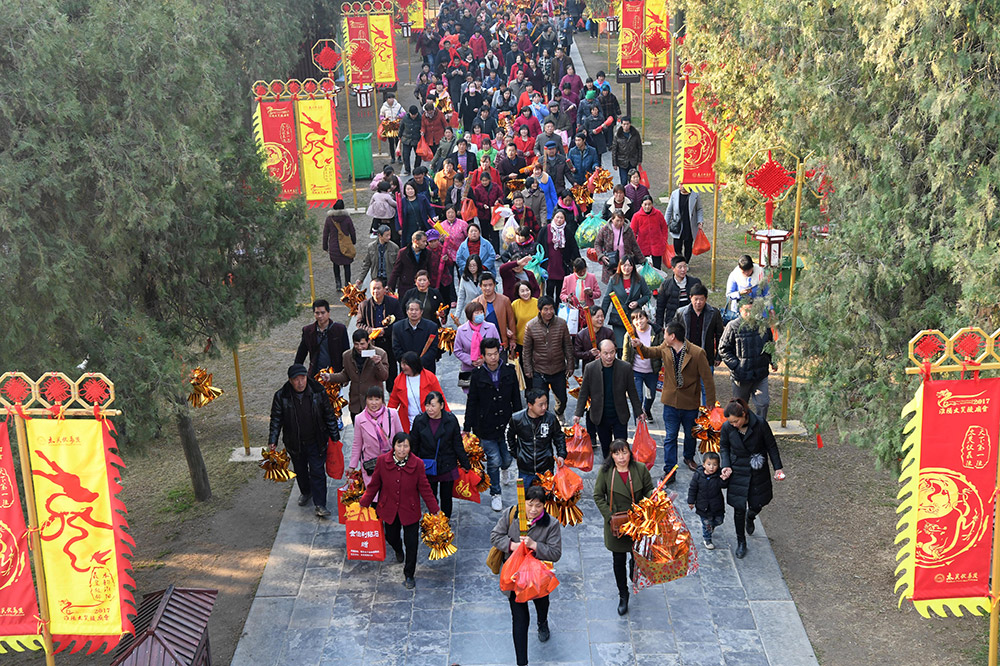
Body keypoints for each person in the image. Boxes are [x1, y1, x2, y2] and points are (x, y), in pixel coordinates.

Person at [630, 321, 717, 480]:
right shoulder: (665, 346)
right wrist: (639, 346)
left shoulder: (697, 353)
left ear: (673, 336)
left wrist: (710, 404)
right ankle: (670, 470)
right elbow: (651, 352)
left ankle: (689, 457)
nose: (663, 336)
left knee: (690, 434)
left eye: (665, 334)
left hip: (690, 402)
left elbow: (707, 379)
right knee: (670, 436)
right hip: (670, 402)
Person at [490, 484, 562, 665]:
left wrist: (534, 545)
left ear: (544, 506)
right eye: (530, 504)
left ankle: (542, 623)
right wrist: (513, 546)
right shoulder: (511, 514)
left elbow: (555, 553)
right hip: (515, 576)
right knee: (520, 620)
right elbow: (495, 536)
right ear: (523, 503)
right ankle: (522, 662)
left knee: (541, 603)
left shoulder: (551, 524)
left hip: (538, 577)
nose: (533, 509)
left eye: (538, 505)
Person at [359, 432, 441, 589]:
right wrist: (364, 502)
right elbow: (374, 484)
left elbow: (425, 488)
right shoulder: (383, 461)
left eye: (405, 446)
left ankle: (409, 574)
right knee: (391, 536)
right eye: (399, 445)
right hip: (388, 508)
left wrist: (434, 509)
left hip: (409, 510)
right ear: (393, 446)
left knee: (412, 544)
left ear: (410, 448)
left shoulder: (417, 464)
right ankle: (397, 549)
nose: (402, 449)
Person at [268, 364, 340, 517]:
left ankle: (320, 504)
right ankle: (306, 492)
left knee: (317, 471)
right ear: (290, 380)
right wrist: (272, 440)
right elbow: (276, 419)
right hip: (295, 442)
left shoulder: (318, 391)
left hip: (316, 439)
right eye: (296, 380)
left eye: (303, 378)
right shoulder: (281, 396)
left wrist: (334, 436)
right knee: (300, 470)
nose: (300, 383)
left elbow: (328, 414)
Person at [593, 438, 654, 615]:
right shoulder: (605, 472)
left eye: (624, 452)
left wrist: (654, 495)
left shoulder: (640, 469)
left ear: (630, 453)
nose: (621, 457)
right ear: (611, 455)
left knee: (636, 555)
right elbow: (598, 496)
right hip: (617, 525)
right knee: (618, 560)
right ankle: (623, 594)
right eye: (617, 453)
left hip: (637, 522)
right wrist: (609, 516)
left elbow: (648, 490)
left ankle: (634, 569)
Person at [719, 398, 785, 559]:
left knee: (759, 502)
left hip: (757, 469)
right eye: (731, 422)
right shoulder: (727, 427)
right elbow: (724, 447)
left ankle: (752, 515)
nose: (734, 424)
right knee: (738, 508)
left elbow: (771, 446)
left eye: (736, 421)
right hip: (737, 469)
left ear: (744, 414)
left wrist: (778, 468)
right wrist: (726, 465)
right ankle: (741, 542)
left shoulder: (760, 424)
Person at [465, 337, 523, 511]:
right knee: (493, 460)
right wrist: (467, 428)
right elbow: (472, 402)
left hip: (506, 425)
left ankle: (505, 470)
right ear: (483, 356)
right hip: (485, 425)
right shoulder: (477, 375)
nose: (493, 357)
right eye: (489, 354)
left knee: (506, 459)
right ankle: (495, 493)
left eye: (495, 354)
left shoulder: (509, 371)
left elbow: (516, 400)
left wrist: (520, 422)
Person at [574, 339, 643, 458]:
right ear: (599, 353)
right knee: (606, 447)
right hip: (600, 416)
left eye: (612, 352)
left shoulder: (625, 368)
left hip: (619, 415)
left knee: (622, 448)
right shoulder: (591, 368)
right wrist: (578, 413)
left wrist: (639, 412)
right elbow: (584, 392)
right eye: (606, 353)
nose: (609, 356)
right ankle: (608, 470)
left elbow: (632, 391)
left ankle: (622, 471)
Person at [411, 391, 471, 520]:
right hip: (427, 465)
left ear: (442, 405)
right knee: (430, 496)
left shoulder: (450, 420)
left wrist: (465, 462)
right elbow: (414, 444)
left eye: (433, 405)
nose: (429, 409)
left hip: (447, 464)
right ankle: (433, 521)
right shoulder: (419, 420)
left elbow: (457, 443)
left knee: (446, 496)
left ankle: (445, 521)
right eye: (427, 405)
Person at [719, 302, 777, 420]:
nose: (750, 314)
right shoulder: (733, 326)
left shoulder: (763, 326)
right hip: (741, 376)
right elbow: (723, 349)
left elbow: (770, 345)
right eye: (746, 311)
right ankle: (740, 431)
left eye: (752, 311)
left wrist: (773, 361)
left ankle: (760, 428)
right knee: (739, 407)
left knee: (763, 403)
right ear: (740, 310)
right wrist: (736, 366)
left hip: (760, 374)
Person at [522, 296, 574, 419]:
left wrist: (570, 364)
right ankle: (544, 421)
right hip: (539, 370)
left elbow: (567, 345)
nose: (549, 312)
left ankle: (559, 413)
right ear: (539, 310)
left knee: (562, 399)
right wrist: (528, 369)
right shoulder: (531, 326)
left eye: (551, 309)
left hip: (558, 368)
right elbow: (527, 350)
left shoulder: (561, 324)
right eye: (546, 309)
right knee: (540, 400)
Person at [675, 283, 725, 404]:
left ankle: (705, 418)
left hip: (706, 357)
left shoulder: (713, 313)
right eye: (695, 299)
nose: (698, 302)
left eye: (701, 299)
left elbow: (720, 336)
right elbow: (674, 335)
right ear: (690, 297)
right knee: (687, 389)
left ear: (706, 299)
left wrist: (718, 355)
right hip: (686, 358)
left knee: (706, 390)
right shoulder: (681, 313)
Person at [506, 388, 567, 486]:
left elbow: (559, 437)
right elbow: (509, 437)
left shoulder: (550, 419)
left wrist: (561, 454)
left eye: (546, 403)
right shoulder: (517, 419)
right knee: (525, 499)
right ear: (530, 405)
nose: (544, 407)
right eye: (540, 405)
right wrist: (516, 453)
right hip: (525, 469)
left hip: (546, 467)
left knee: (547, 498)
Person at [328, 329, 389, 423]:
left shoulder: (380, 353)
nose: (359, 347)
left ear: (368, 341)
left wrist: (378, 364)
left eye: (362, 344)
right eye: (356, 344)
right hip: (356, 404)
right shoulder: (347, 355)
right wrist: (330, 377)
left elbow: (384, 377)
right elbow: (346, 375)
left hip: (374, 404)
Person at [348, 385, 404, 485]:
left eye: (377, 399)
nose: (374, 403)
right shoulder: (359, 419)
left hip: (391, 462)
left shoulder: (393, 414)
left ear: (382, 400)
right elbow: (357, 444)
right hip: (371, 464)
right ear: (366, 401)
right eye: (370, 399)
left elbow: (401, 438)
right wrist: (352, 465)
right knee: (374, 495)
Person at [355, 277, 403, 390]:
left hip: (389, 343)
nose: (376, 291)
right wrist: (371, 330)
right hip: (372, 344)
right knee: (373, 374)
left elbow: (400, 321)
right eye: (373, 289)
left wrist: (385, 331)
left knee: (391, 374)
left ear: (384, 289)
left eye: (378, 288)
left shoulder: (393, 303)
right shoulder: (364, 305)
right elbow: (359, 324)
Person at [388, 352, 448, 432]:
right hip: (406, 422)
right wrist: (386, 417)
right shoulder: (399, 379)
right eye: (402, 364)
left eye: (405, 365)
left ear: (413, 365)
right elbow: (393, 401)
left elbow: (440, 397)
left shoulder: (430, 377)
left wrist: (448, 417)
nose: (402, 367)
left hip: (428, 420)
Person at [623, 308, 663, 421]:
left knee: (651, 396)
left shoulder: (656, 332)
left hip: (652, 371)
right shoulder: (629, 335)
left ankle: (646, 410)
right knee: (637, 397)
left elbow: (662, 350)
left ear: (647, 319)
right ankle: (639, 421)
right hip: (636, 371)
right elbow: (626, 355)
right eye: (635, 319)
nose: (639, 321)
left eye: (641, 317)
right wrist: (624, 372)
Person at [601, 257, 651, 348]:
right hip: (618, 317)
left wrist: (638, 302)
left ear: (633, 267)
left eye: (629, 265)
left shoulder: (639, 279)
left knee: (634, 345)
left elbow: (647, 295)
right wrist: (601, 315)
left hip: (635, 318)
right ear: (620, 266)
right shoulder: (614, 280)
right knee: (621, 346)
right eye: (624, 265)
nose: (627, 268)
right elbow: (606, 299)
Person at [294, 299, 349, 375]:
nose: (320, 316)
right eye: (317, 313)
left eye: (323, 313)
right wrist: (296, 373)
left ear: (328, 312)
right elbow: (301, 353)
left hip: (335, 374)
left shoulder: (340, 329)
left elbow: (346, 353)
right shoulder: (308, 331)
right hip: (316, 374)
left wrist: (345, 374)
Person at [454, 301, 501, 388]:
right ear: (470, 315)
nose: (480, 314)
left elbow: (499, 346)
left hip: (489, 367)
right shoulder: (461, 330)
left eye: (481, 312)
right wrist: (471, 361)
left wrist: (485, 358)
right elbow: (457, 351)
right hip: (470, 369)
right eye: (477, 313)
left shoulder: (491, 327)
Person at [687, 451, 727, 550]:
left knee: (719, 520)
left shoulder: (718, 475)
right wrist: (691, 501)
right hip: (703, 506)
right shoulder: (698, 475)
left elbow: (724, 485)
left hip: (716, 504)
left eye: (715, 465)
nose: (711, 467)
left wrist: (724, 478)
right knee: (706, 524)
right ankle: (707, 539)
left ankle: (711, 527)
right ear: (704, 464)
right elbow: (693, 488)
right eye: (709, 464)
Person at [392, 298, 441, 376]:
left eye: (416, 310)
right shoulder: (397, 327)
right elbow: (396, 349)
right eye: (411, 310)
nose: (413, 312)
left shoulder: (431, 326)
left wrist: (419, 363)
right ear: (407, 311)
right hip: (406, 369)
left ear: (421, 312)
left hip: (426, 368)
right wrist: (408, 363)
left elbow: (433, 349)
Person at [538, 209, 580, 300]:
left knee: (560, 293)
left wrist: (578, 263)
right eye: (557, 217)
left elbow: (573, 247)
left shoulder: (567, 231)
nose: (559, 220)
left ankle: (558, 311)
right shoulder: (545, 230)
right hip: (548, 266)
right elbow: (538, 246)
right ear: (553, 217)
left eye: (561, 218)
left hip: (562, 266)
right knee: (549, 291)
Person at [593, 212, 643, 284]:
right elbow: (597, 243)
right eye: (617, 220)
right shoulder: (605, 230)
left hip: (625, 266)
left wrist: (643, 260)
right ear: (612, 219)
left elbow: (634, 246)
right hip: (610, 265)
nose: (619, 223)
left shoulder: (628, 230)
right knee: (612, 290)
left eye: (621, 220)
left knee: (625, 288)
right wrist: (601, 256)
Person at [656, 256, 704, 328]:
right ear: (673, 269)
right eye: (680, 267)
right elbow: (660, 307)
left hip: (692, 320)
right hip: (673, 321)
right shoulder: (666, 285)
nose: (683, 270)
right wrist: (659, 327)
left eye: (685, 267)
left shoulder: (695, 282)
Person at [474, 272, 518, 351]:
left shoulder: (505, 300)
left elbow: (511, 320)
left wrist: (513, 339)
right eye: (485, 285)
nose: (488, 288)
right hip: (483, 342)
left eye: (490, 285)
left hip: (502, 341)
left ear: (494, 285)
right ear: (480, 286)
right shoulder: (475, 302)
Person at [665, 184, 704, 263]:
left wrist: (700, 221)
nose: (682, 186)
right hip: (678, 225)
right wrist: (665, 222)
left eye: (685, 184)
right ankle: (679, 260)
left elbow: (699, 209)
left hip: (689, 225)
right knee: (677, 245)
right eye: (681, 184)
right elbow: (669, 209)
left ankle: (686, 262)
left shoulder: (695, 194)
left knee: (688, 245)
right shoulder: (674, 194)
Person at [321, 203, 356, 290]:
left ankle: (338, 283)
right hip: (346, 246)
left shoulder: (329, 219)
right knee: (347, 265)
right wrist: (353, 242)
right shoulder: (347, 218)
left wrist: (325, 246)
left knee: (335, 264)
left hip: (334, 246)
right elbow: (352, 231)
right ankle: (347, 284)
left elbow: (325, 233)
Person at [629, 195, 669, 270]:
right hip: (642, 247)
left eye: (649, 204)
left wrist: (664, 240)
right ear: (642, 205)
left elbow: (664, 228)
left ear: (652, 204)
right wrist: (633, 246)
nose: (647, 206)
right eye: (645, 204)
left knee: (657, 269)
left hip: (657, 246)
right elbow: (632, 232)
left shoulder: (658, 214)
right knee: (643, 269)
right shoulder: (636, 216)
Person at [724, 254, 769, 321]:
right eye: (743, 272)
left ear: (752, 267)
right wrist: (739, 293)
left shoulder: (761, 274)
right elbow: (729, 295)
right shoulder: (734, 275)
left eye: (748, 271)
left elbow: (767, 293)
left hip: (758, 311)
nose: (746, 273)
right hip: (740, 312)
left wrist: (770, 308)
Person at [388, 230, 431, 295]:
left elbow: (430, 270)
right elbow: (396, 271)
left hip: (422, 288)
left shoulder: (428, 253)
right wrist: (390, 287)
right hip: (406, 287)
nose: (426, 243)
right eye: (423, 241)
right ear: (416, 241)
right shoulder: (403, 253)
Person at [573, 305, 614, 372]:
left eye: (602, 316)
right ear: (589, 318)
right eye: (597, 317)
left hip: (606, 367)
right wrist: (589, 353)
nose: (600, 319)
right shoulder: (581, 335)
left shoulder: (608, 332)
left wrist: (604, 354)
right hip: (589, 369)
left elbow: (615, 349)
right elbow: (577, 353)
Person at [397, 182, 433, 249]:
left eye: (412, 189)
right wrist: (399, 228)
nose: (410, 191)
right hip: (408, 229)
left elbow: (430, 209)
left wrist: (433, 217)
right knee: (410, 246)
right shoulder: (402, 201)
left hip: (422, 227)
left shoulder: (422, 198)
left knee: (423, 245)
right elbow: (397, 215)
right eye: (408, 189)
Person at [455, 254, 485, 321]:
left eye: (474, 265)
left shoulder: (485, 276)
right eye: (470, 266)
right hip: (471, 310)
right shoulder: (464, 278)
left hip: (484, 309)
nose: (472, 268)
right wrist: (457, 315)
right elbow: (461, 297)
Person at [379, 92, 405, 164]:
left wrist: (399, 116)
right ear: (387, 99)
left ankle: (399, 157)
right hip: (389, 126)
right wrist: (384, 119)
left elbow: (404, 113)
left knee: (398, 142)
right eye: (389, 98)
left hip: (397, 125)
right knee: (391, 143)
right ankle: (393, 157)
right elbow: (381, 116)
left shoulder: (398, 106)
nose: (391, 100)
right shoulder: (384, 107)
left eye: (392, 98)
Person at [399, 105, 423, 175]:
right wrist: (399, 136)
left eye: (415, 114)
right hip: (406, 139)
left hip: (417, 140)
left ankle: (417, 168)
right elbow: (401, 127)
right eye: (412, 114)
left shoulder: (421, 118)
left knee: (418, 155)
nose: (413, 116)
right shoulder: (405, 118)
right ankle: (407, 169)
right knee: (405, 155)